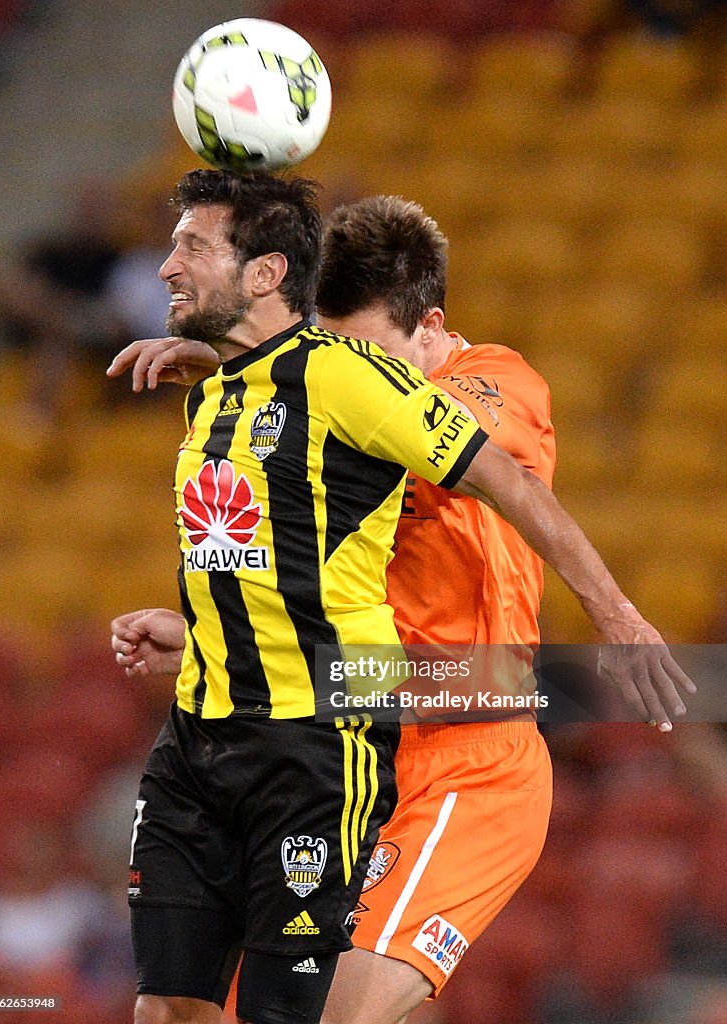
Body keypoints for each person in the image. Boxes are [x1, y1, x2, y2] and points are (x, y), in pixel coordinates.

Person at [107, 170, 694, 1024]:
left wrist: (619, 615)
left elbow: (467, 454)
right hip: (353, 744)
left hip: (470, 758)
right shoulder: (322, 388)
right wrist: (203, 640)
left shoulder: (496, 382)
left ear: (432, 332)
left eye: (371, 357)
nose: (354, 377)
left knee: (334, 1014)